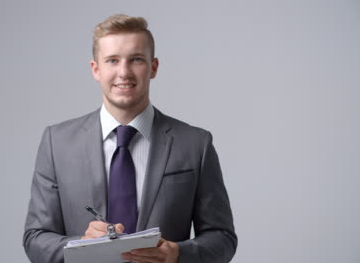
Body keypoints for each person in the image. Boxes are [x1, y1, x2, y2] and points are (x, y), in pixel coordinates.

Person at [23, 14, 237, 263]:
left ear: (153, 67)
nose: (123, 72)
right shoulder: (56, 143)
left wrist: (179, 254)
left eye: (136, 59)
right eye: (112, 60)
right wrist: (80, 246)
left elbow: (222, 238)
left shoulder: (195, 144)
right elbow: (35, 238)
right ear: (96, 69)